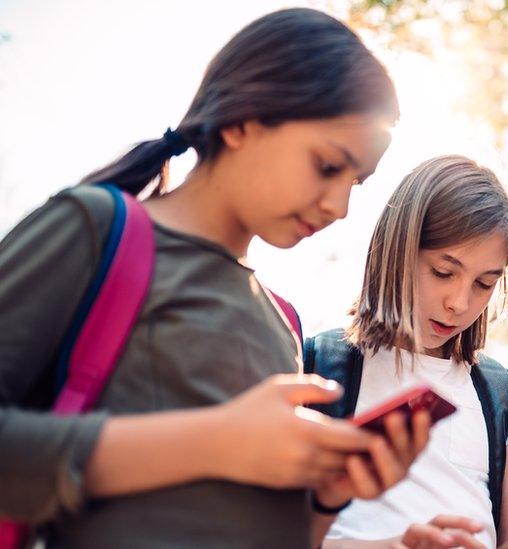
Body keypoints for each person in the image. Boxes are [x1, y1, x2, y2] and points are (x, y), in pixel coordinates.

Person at [0, 9, 427, 548]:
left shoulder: (283, 323)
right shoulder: (95, 227)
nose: (340, 205)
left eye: (357, 182)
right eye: (326, 166)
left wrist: (328, 493)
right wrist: (216, 441)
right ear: (243, 121)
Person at [309, 155, 508, 548]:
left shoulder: (504, 397)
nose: (458, 302)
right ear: (398, 249)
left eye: (484, 283)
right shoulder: (314, 367)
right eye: (443, 272)